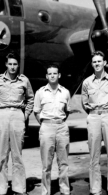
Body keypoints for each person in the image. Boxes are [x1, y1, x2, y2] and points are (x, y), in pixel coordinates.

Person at [0, 52, 34, 195]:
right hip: (1, 114)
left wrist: (24, 115)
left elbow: (30, 99)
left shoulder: (24, 80)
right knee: (2, 154)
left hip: (17, 114)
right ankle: (1, 189)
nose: (13, 67)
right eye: (10, 64)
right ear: (6, 65)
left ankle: (19, 188)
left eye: (15, 64)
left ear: (18, 65)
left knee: (17, 155)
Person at [81, 51, 108, 195]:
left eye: (99, 61)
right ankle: (95, 189)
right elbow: (84, 102)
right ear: (92, 64)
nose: (97, 64)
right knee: (94, 156)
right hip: (93, 117)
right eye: (94, 62)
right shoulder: (86, 82)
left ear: (104, 63)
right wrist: (94, 114)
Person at [33, 64, 71, 195]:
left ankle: (65, 190)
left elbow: (67, 111)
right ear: (46, 76)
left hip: (62, 127)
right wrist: (45, 124)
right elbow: (36, 111)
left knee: (64, 163)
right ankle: (45, 191)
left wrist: (58, 122)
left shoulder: (65, 92)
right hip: (46, 128)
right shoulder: (40, 92)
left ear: (59, 75)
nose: (52, 75)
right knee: (46, 164)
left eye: (55, 73)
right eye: (50, 73)